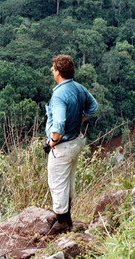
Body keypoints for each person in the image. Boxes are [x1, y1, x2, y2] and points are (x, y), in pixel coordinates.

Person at [44, 54, 98, 236]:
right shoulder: (78, 88)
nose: (52, 71)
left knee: (57, 182)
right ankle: (65, 216)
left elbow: (58, 126)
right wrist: (79, 119)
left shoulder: (59, 94)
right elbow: (93, 106)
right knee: (68, 180)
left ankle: (61, 222)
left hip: (63, 144)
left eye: (53, 68)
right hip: (76, 141)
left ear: (58, 72)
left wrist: (52, 142)